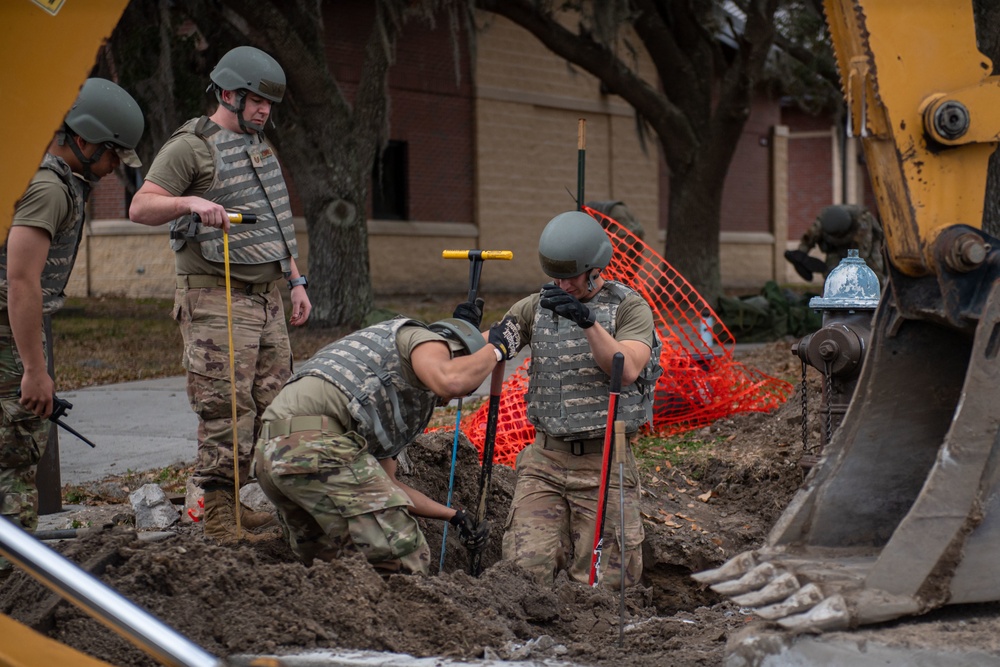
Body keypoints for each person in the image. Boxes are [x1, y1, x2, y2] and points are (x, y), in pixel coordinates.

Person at [128, 46, 311, 542]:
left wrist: (295, 281)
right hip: (216, 295)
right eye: (256, 101)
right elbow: (141, 206)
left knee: (276, 405)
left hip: (267, 294)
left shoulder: (259, 144)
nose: (264, 111)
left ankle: (244, 501)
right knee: (226, 408)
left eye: (270, 104)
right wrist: (189, 201)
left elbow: (273, 217)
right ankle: (220, 518)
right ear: (228, 92)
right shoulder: (193, 146)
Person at [252, 310, 521, 575]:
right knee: (403, 556)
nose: (450, 400)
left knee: (331, 572)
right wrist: (495, 349)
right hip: (316, 447)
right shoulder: (423, 340)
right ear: (452, 353)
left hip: (271, 455)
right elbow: (449, 380)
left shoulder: (379, 374)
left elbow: (390, 485)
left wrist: (454, 516)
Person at [0, 78, 144, 534]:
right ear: (82, 140)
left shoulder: (62, 182)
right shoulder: (49, 189)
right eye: (112, 152)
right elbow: (20, 283)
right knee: (12, 465)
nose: (115, 164)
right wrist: (33, 370)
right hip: (7, 338)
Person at [499, 210, 662, 588]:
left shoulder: (628, 307)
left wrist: (588, 322)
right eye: (555, 275)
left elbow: (628, 367)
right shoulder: (535, 306)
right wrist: (472, 336)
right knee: (522, 575)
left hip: (605, 456)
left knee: (608, 581)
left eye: (570, 275)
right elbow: (497, 346)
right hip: (544, 460)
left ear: (594, 268)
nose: (562, 284)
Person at [785, 204, 886, 283]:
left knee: (873, 273)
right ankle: (831, 298)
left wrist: (849, 273)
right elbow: (809, 238)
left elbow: (862, 253)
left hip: (866, 245)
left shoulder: (862, 222)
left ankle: (876, 299)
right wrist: (801, 255)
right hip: (835, 248)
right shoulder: (823, 220)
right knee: (831, 274)